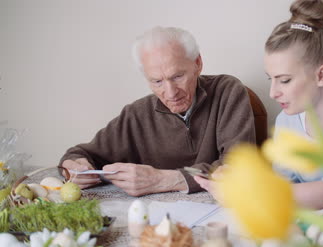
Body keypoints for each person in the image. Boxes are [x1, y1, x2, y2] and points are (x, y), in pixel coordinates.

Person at [196, 0, 323, 209]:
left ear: (322, 75)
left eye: (284, 80)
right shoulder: (287, 120)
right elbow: (284, 187)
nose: (273, 93)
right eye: (270, 79)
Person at [59, 26, 256, 196]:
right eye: (157, 81)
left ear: (197, 63)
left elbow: (238, 167)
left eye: (177, 76)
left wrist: (164, 179)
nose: (170, 93)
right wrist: (74, 168)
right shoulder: (136, 114)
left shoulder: (227, 91)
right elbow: (79, 153)